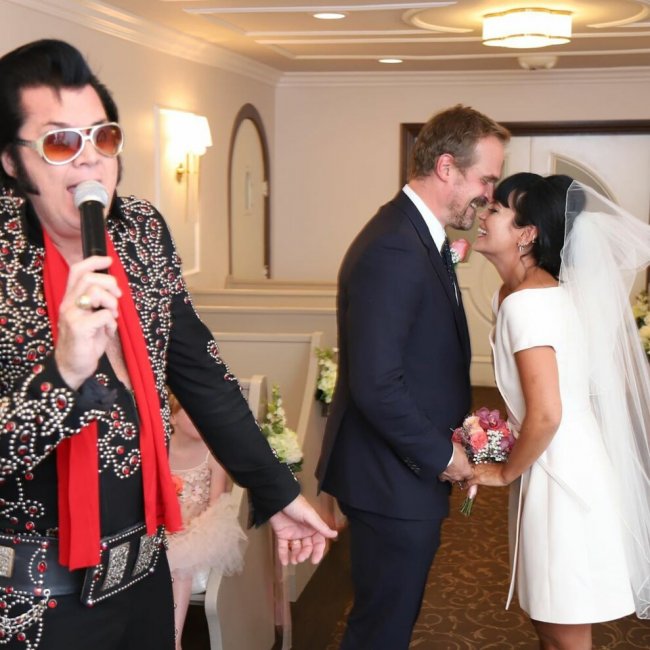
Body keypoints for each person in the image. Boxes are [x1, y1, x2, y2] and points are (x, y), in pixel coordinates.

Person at [0, 38, 335, 650]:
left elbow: (202, 375)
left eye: (102, 138)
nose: (89, 161)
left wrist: (276, 490)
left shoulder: (141, 231)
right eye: (60, 143)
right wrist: (64, 372)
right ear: (11, 160)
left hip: (145, 577)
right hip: (36, 607)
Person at [316, 104, 510, 649]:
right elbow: (377, 384)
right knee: (381, 630)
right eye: (485, 179)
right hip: (389, 478)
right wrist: (444, 455)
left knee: (388, 624)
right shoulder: (396, 245)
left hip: (398, 473)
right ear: (447, 167)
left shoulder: (416, 235)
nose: (488, 195)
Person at [469, 172, 650, 649]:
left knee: (564, 633)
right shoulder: (522, 293)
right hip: (556, 465)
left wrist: (504, 472)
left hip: (562, 478)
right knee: (551, 625)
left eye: (497, 210)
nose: (483, 215)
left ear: (527, 234)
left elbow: (548, 413)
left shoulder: (528, 304)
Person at [166, 390, 247, 650]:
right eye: (190, 413)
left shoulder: (212, 455)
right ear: (173, 418)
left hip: (200, 527)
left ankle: (174, 640)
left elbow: (215, 505)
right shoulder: (160, 449)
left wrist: (191, 529)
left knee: (180, 563)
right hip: (165, 523)